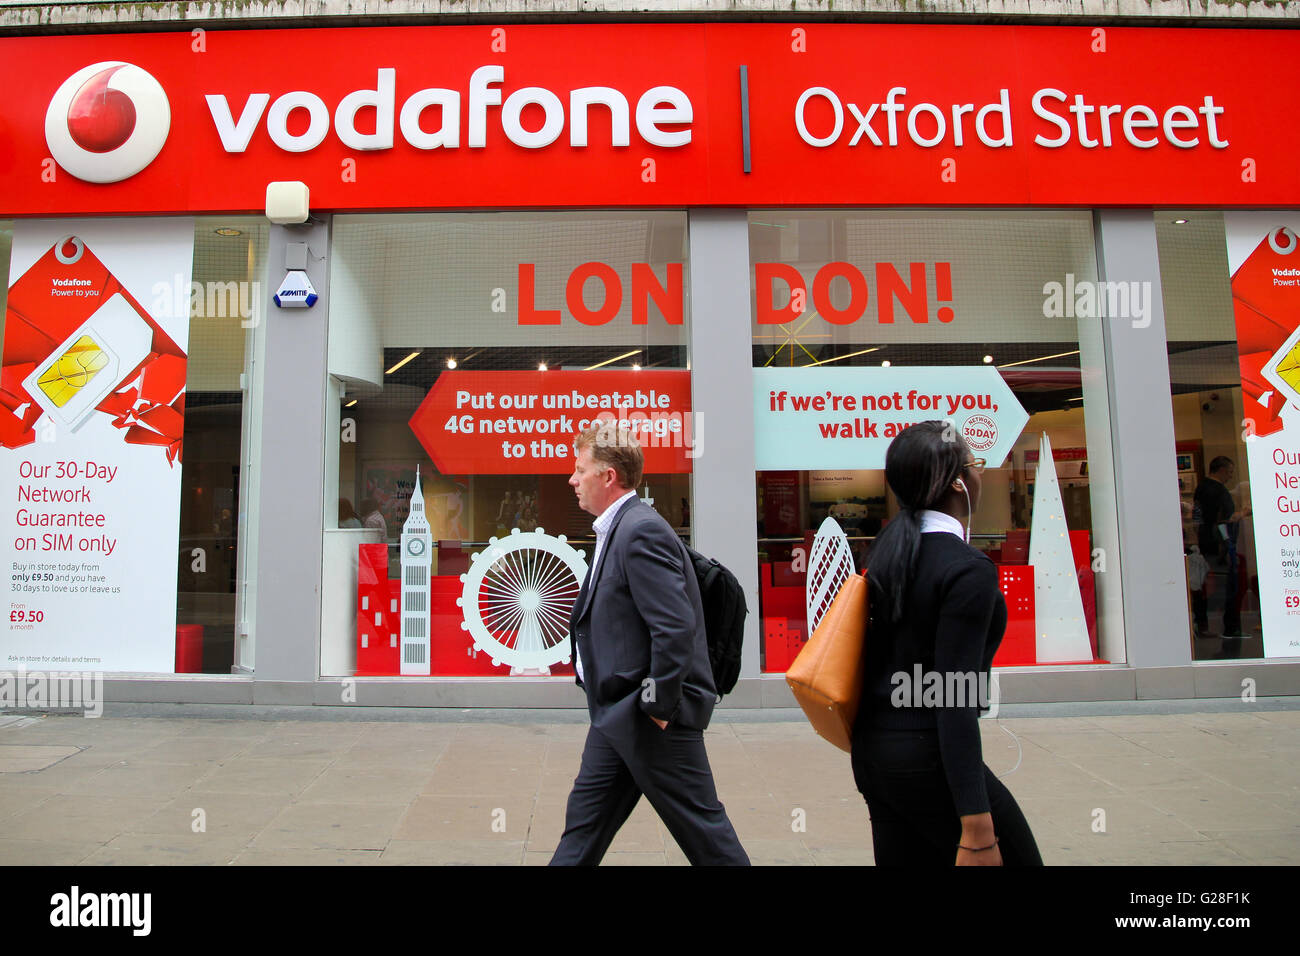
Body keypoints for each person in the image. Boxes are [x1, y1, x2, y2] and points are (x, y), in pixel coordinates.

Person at [550, 423, 749, 866]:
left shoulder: (640, 531)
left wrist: (658, 708)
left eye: (580, 469)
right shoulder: (619, 527)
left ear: (608, 476)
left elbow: (674, 628)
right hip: (617, 713)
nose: (572, 479)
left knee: (707, 836)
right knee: (582, 831)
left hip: (650, 718)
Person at [852, 421, 1041, 866]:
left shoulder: (887, 552)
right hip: (930, 759)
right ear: (958, 481)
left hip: (875, 754)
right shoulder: (966, 569)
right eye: (976, 464)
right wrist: (976, 821)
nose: (981, 474)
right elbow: (953, 697)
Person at [1192, 456, 1250, 640]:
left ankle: (1203, 625)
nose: (1231, 476)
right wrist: (1244, 513)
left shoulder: (1201, 488)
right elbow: (1225, 519)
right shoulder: (1216, 491)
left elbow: (1198, 519)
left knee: (1207, 584)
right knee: (1228, 585)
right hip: (1220, 545)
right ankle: (1230, 628)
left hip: (1209, 542)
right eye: (1230, 472)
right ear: (1222, 470)